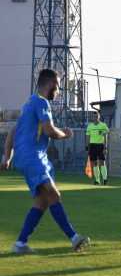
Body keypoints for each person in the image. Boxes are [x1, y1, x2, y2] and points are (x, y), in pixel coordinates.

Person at [0, 69, 90, 254]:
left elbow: (12, 132)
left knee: (41, 202)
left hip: (30, 157)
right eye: (57, 87)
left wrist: (6, 157)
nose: (57, 91)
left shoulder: (29, 103)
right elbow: (49, 130)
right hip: (32, 157)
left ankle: (20, 244)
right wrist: (65, 134)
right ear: (49, 85)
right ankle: (74, 238)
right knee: (53, 194)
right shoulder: (41, 103)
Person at [86, 112, 109, 185]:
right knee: (95, 163)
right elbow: (88, 137)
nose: (95, 118)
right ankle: (97, 180)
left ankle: (105, 179)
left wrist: (105, 147)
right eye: (94, 116)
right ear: (92, 117)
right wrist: (87, 146)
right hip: (93, 146)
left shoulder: (103, 125)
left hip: (101, 145)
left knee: (102, 162)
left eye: (96, 116)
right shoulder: (90, 126)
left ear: (99, 117)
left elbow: (106, 135)